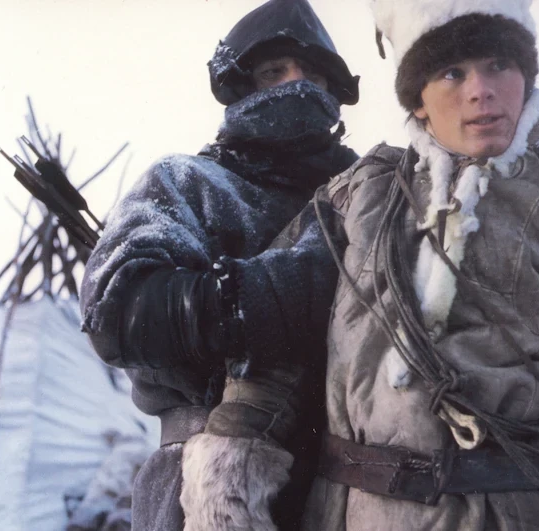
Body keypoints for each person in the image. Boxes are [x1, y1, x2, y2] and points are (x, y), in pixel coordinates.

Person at [192, 0, 539, 529]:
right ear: (418, 100)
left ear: (526, 77)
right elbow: (274, 359)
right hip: (348, 513)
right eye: (452, 72)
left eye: (499, 65)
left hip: (504, 514)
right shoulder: (355, 196)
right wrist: (229, 484)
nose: (481, 90)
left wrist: (511, 418)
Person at [77, 0, 359, 529]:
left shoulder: (369, 196)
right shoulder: (188, 183)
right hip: (203, 482)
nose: (296, 86)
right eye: (274, 71)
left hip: (354, 485)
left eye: (313, 75)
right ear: (242, 86)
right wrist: (270, 297)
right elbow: (119, 310)